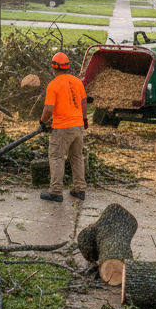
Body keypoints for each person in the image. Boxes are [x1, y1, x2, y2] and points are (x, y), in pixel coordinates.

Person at [39, 52, 88, 202]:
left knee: (56, 157)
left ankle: (55, 191)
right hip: (78, 126)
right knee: (77, 156)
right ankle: (80, 189)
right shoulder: (77, 82)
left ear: (53, 67)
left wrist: (43, 122)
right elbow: (84, 102)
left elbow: (48, 109)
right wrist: (84, 119)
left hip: (62, 128)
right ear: (67, 66)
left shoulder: (53, 85)